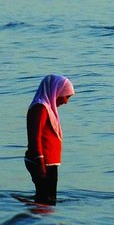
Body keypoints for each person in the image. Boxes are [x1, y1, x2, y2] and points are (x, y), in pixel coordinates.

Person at [24, 74, 74, 204]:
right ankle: (38, 220)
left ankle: (41, 221)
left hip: (48, 163)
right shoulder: (40, 108)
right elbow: (35, 137)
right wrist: (40, 162)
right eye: (66, 96)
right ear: (57, 91)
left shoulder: (48, 109)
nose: (66, 101)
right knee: (45, 200)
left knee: (49, 200)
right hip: (41, 162)